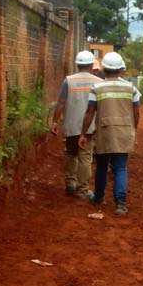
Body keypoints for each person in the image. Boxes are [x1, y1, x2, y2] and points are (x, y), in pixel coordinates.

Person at [80, 52, 141, 216]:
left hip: (104, 131)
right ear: (121, 70)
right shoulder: (131, 88)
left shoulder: (97, 88)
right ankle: (120, 204)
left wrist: (83, 133)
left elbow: (90, 111)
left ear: (104, 69)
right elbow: (136, 113)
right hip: (124, 131)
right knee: (121, 167)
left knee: (101, 166)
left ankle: (99, 197)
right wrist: (133, 130)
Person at [50, 50, 102, 199]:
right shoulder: (98, 82)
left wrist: (54, 121)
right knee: (85, 156)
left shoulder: (69, 81)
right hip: (89, 127)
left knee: (71, 153)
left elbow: (61, 102)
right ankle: (83, 188)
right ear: (92, 64)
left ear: (77, 64)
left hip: (71, 125)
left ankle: (70, 184)